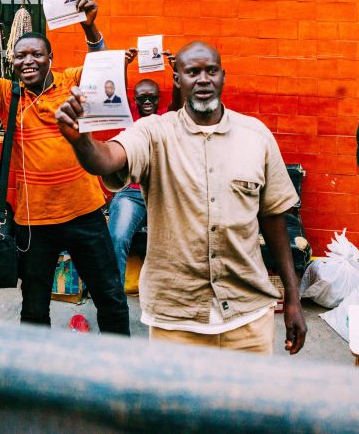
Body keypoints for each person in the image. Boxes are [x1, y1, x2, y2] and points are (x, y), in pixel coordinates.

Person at [55, 41, 307, 355]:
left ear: (223, 77)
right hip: (177, 322)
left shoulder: (256, 135)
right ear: (178, 80)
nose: (203, 79)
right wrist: (82, 141)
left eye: (211, 71)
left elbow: (273, 221)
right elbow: (107, 158)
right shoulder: (153, 132)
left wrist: (294, 300)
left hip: (249, 319)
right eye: (193, 72)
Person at [0, 0, 130, 336]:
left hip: (85, 212)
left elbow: (105, 71)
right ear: (12, 62)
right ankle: (35, 375)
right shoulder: (7, 96)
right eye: (20, 56)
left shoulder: (71, 81)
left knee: (110, 297)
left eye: (36, 54)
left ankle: (120, 371)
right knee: (34, 305)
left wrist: (89, 25)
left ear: (50, 58)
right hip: (34, 221)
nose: (28, 61)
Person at [107, 70, 165, 284]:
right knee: (117, 238)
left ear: (159, 99)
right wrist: (122, 65)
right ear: (135, 100)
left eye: (153, 97)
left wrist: (176, 69)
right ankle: (114, 301)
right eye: (142, 98)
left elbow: (180, 102)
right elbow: (116, 92)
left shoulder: (167, 117)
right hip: (132, 194)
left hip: (163, 195)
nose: (148, 101)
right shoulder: (128, 116)